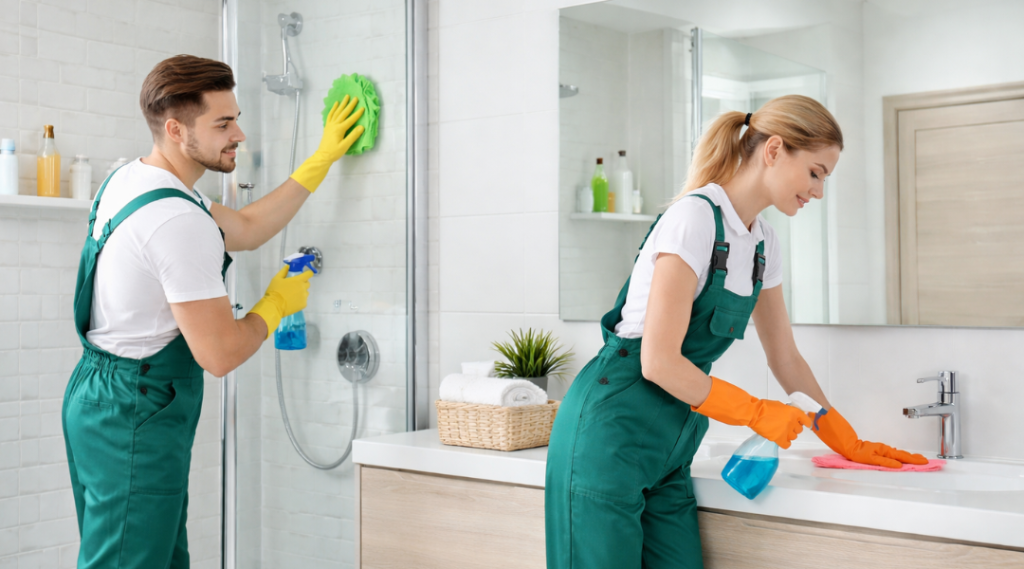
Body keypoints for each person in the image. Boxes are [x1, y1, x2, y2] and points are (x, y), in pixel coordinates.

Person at [545, 95, 927, 568]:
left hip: (670, 445)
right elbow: (658, 361)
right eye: (815, 172)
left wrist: (843, 439)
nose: (819, 192)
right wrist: (754, 411)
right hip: (608, 435)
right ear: (774, 150)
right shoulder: (694, 219)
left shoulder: (762, 242)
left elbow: (785, 358)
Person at [61, 55, 365, 568]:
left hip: (100, 396)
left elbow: (244, 228)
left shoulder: (134, 180)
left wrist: (321, 159)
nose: (239, 134)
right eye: (223, 123)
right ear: (177, 130)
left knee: (153, 555)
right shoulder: (176, 220)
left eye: (236, 118)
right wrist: (274, 305)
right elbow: (220, 354)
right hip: (137, 406)